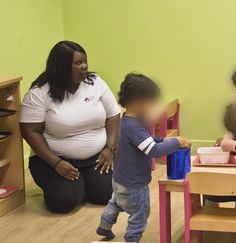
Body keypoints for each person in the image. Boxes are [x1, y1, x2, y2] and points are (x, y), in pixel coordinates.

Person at [20, 41, 121, 213]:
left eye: (85, 61)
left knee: (106, 194)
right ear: (61, 67)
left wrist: (110, 148)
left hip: (97, 157)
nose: (84, 66)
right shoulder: (39, 93)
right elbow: (30, 132)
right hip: (52, 161)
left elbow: (113, 115)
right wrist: (56, 162)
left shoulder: (95, 82)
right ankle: (77, 186)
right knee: (63, 203)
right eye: (77, 63)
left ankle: (85, 184)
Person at [96, 73, 191, 242]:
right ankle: (132, 239)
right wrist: (176, 142)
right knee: (140, 213)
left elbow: (145, 143)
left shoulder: (125, 121)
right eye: (151, 102)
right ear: (138, 102)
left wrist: (164, 139)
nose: (153, 106)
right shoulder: (136, 127)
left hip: (119, 180)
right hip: (134, 184)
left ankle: (104, 226)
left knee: (115, 203)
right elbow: (153, 150)